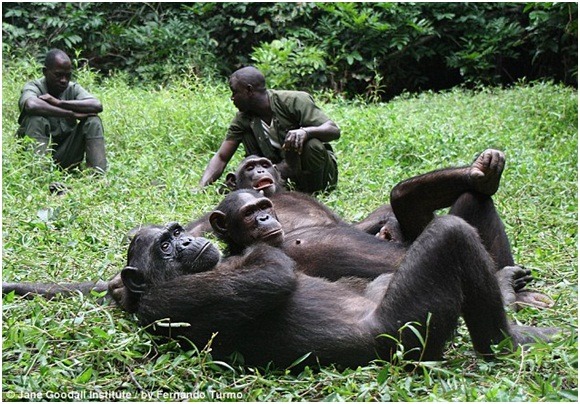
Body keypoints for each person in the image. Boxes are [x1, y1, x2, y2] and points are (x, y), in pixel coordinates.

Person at [199, 66, 340, 194]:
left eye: (235, 92)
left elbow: (333, 130)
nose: (232, 98)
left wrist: (305, 132)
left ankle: (313, 193)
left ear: (249, 90)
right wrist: (202, 187)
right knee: (248, 156)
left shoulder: (294, 101)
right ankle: (277, 188)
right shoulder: (243, 118)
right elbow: (222, 157)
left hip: (313, 173)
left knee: (312, 145)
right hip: (277, 172)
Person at [16, 49, 107, 172]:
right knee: (36, 118)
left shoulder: (72, 89)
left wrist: (59, 103)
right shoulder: (34, 87)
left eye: (67, 76)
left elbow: (96, 105)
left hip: (65, 155)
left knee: (93, 121)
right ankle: (37, 173)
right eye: (58, 75)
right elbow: (31, 105)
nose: (63, 80)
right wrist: (70, 113)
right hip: (36, 154)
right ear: (45, 72)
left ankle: (98, 177)